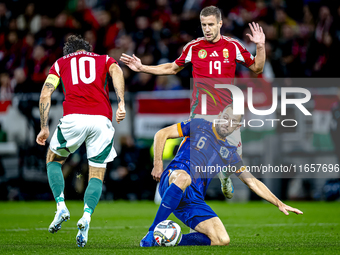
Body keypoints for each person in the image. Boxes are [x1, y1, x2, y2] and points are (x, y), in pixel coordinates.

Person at [120, 5, 266, 198]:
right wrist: (142, 68)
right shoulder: (193, 47)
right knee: (193, 157)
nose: (207, 29)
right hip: (201, 113)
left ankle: (223, 176)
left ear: (220, 24)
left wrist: (260, 46)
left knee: (234, 159)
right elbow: (172, 68)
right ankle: (178, 192)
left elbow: (257, 68)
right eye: (204, 24)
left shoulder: (233, 46)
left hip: (227, 114)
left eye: (211, 24)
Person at [140, 105, 303, 247]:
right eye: (225, 117)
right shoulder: (199, 125)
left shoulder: (230, 153)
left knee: (221, 239)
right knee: (184, 178)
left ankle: (170, 240)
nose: (227, 122)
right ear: (219, 117)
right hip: (173, 178)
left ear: (237, 126)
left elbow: (252, 182)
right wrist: (158, 163)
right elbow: (161, 134)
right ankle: (151, 231)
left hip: (193, 198)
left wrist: (279, 203)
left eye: (232, 121)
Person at [36, 35, 126, 247]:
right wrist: (121, 103)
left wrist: (44, 126)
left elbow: (45, 95)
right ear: (88, 49)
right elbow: (117, 71)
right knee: (96, 173)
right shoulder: (103, 59)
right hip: (101, 121)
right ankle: (86, 216)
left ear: (69, 51)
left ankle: (60, 206)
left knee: (53, 159)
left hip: (73, 119)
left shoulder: (60, 63)